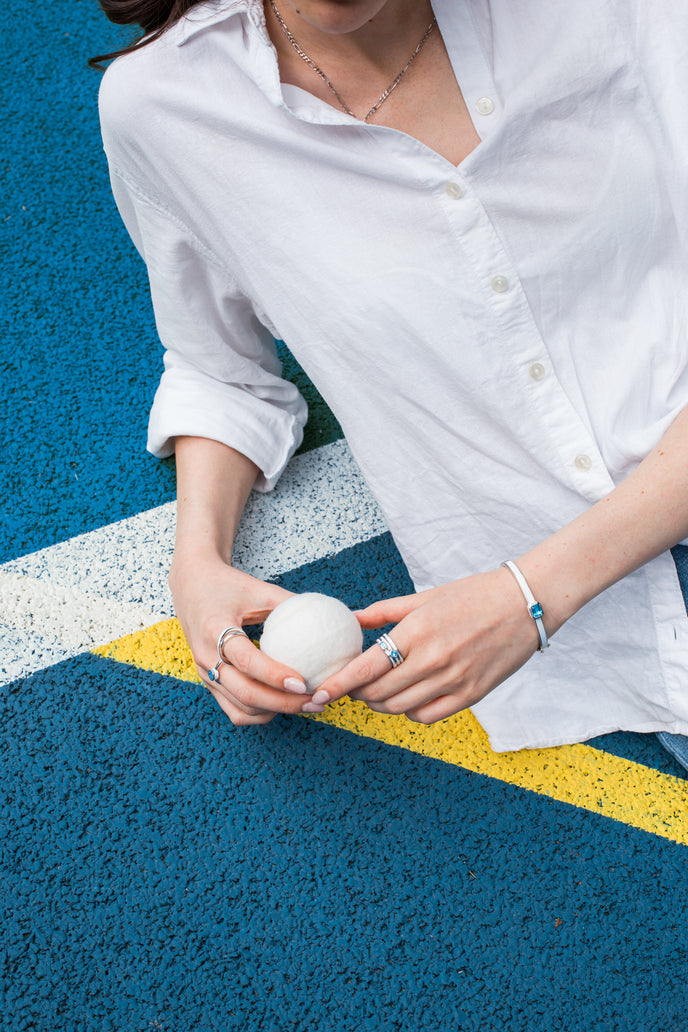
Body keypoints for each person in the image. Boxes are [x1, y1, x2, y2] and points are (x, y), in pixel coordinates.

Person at [93, 0, 688, 766]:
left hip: (549, 622)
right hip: (614, 656)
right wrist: (197, 564)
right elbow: (219, 371)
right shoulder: (167, 110)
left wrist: (530, 593)